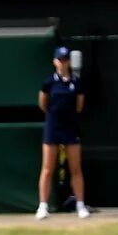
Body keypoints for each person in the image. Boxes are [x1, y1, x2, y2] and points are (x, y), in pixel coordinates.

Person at [37, 45, 88, 219]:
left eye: (65, 60)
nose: (63, 63)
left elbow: (79, 106)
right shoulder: (48, 82)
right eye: (60, 60)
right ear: (54, 62)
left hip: (70, 127)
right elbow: (43, 104)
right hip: (53, 127)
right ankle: (43, 206)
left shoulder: (77, 83)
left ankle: (80, 205)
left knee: (75, 168)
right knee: (47, 168)